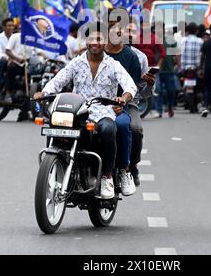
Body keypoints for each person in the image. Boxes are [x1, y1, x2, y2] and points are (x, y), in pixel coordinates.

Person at [34, 22, 137, 200]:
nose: (95, 42)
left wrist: (124, 98)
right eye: (91, 38)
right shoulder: (77, 62)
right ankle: (55, 168)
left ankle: (106, 176)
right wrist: (43, 92)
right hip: (78, 112)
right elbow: (58, 81)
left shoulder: (113, 65)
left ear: (105, 41)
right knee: (54, 124)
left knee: (108, 129)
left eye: (99, 38)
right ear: (86, 41)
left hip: (104, 112)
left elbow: (130, 86)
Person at [105, 20, 142, 196]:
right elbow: (67, 77)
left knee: (130, 127)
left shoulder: (133, 57)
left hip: (123, 104)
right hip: (94, 104)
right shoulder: (87, 55)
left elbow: (132, 87)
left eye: (122, 31)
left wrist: (122, 101)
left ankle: (127, 168)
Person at [127, 18, 155, 186]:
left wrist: (149, 82)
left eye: (132, 31)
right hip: (99, 102)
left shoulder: (140, 58)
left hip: (128, 103)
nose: (128, 34)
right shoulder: (102, 52)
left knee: (135, 129)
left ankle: (132, 165)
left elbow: (145, 92)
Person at [154, 23, 177, 118]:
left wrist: (176, 64)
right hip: (157, 70)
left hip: (169, 69)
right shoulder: (152, 40)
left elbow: (175, 55)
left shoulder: (170, 40)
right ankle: (159, 110)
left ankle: (170, 107)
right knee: (157, 90)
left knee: (170, 91)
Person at [0, 18, 15, 93]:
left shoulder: (16, 37)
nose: (11, 27)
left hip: (15, 60)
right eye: (9, 25)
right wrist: (8, 57)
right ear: (4, 27)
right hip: (2, 60)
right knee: (3, 60)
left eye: (12, 25)